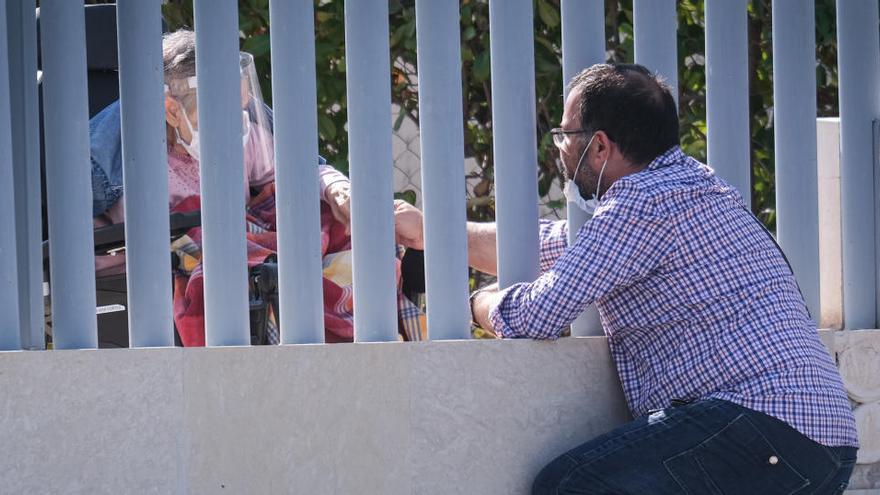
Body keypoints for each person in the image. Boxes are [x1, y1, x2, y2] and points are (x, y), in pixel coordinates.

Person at [395, 63, 858, 494]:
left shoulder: (639, 204)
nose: (559, 146)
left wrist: (473, 300)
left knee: (569, 485)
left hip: (760, 426)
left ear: (599, 145)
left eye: (564, 134)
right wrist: (434, 235)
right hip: (823, 441)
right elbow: (553, 246)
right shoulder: (695, 186)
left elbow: (537, 316)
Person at [90, 29, 424, 344]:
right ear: (171, 110)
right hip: (181, 260)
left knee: (344, 226)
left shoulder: (246, 128)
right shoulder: (120, 156)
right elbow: (90, 246)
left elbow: (299, 171)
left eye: (241, 108)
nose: (238, 123)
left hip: (252, 246)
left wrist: (338, 189)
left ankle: (367, 331)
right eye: (222, 113)